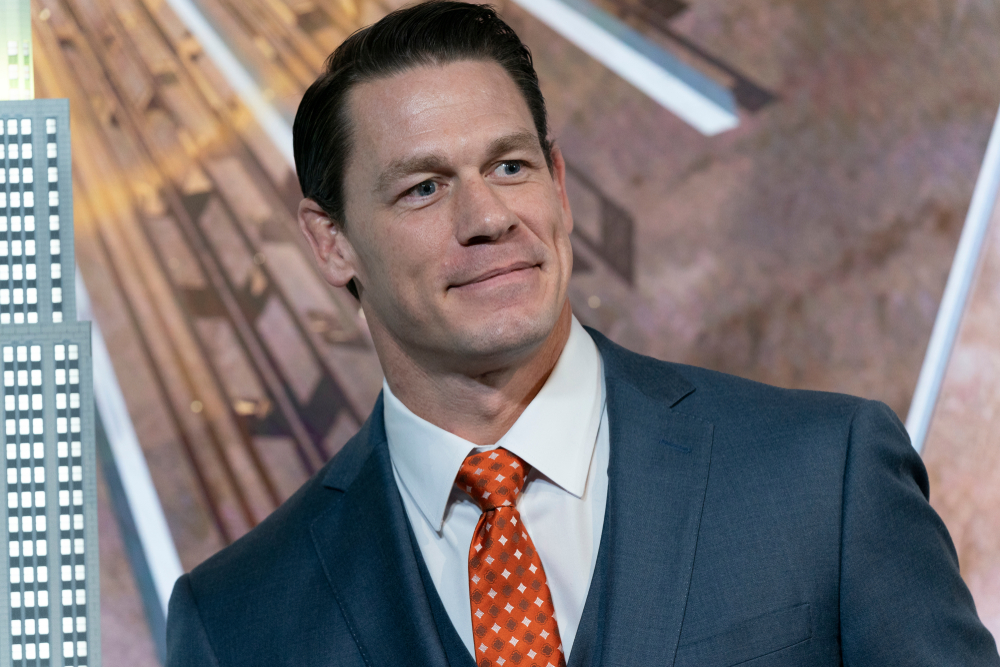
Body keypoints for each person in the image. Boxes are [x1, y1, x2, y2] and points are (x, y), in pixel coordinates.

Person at [166, 2, 1000, 665]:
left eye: (510, 166)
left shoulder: (826, 476)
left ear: (558, 184)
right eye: (423, 188)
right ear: (330, 240)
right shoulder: (237, 619)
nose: (488, 217)